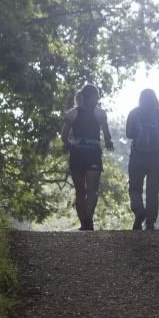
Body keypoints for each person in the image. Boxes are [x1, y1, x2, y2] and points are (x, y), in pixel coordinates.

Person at [61, 84, 114, 231]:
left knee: (80, 191)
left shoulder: (72, 114)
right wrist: (109, 142)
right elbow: (107, 135)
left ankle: (85, 223)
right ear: (90, 97)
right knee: (92, 190)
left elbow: (64, 136)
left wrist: (69, 145)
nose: (97, 99)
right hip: (93, 154)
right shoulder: (100, 114)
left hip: (77, 154)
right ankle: (88, 217)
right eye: (96, 96)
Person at [125, 89, 159, 230]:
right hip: (156, 157)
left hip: (137, 156)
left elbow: (129, 134)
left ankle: (139, 210)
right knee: (153, 189)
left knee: (135, 187)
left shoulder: (134, 113)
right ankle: (150, 221)